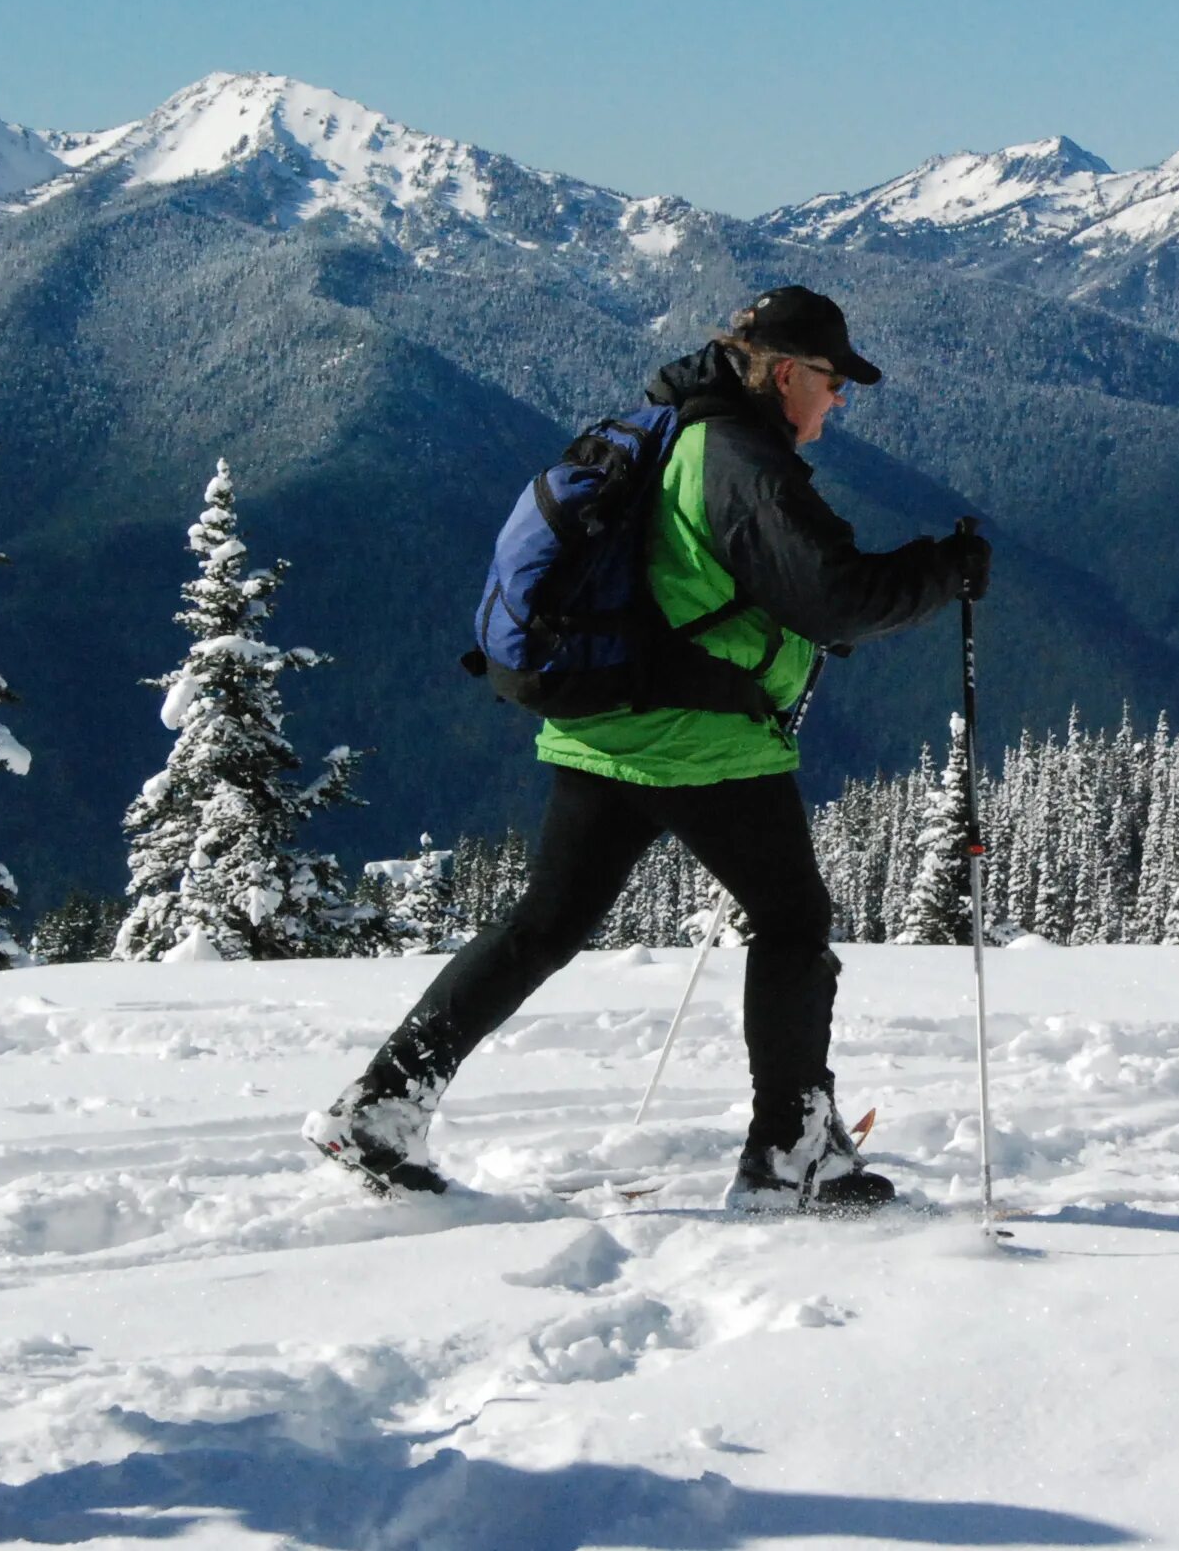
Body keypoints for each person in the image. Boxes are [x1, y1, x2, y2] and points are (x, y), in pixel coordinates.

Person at [306, 286, 988, 1210]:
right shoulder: (739, 456)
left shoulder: (671, 427)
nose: (839, 404)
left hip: (604, 723)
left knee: (542, 926)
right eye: (833, 383)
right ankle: (789, 1159)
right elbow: (833, 599)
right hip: (695, 739)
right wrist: (942, 571)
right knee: (791, 926)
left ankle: (380, 1107)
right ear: (788, 373)